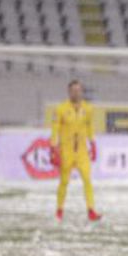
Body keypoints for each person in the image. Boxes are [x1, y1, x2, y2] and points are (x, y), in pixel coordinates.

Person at [50, 79, 100, 221]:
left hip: (82, 151)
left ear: (82, 92)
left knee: (87, 180)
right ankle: (59, 209)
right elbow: (55, 129)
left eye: (78, 90)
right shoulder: (61, 109)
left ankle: (91, 210)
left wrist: (93, 144)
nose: (76, 93)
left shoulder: (88, 109)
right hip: (66, 151)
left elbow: (89, 127)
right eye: (73, 90)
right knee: (64, 182)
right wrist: (53, 148)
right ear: (69, 92)